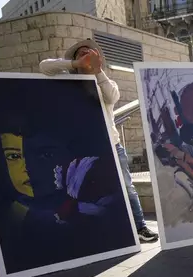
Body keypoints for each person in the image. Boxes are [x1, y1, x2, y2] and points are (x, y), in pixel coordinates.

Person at [39, 39, 159, 243]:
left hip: (111, 145)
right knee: (75, 189)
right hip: (79, 148)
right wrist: (76, 66)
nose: (86, 55)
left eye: (90, 52)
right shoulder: (66, 80)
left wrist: (97, 71)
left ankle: (140, 227)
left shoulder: (105, 82)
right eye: (80, 53)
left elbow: (112, 97)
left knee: (126, 187)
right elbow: (44, 67)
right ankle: (86, 233)